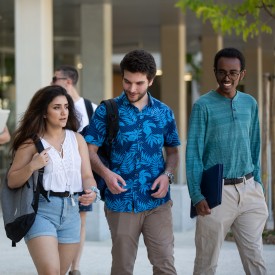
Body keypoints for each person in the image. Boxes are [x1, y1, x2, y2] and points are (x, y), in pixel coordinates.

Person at [85, 49, 180, 275]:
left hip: (157, 203)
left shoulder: (164, 113)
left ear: (151, 80)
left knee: (165, 264)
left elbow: (173, 152)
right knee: (122, 268)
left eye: (139, 83)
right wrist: (106, 174)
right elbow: (89, 151)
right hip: (121, 201)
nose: (132, 89)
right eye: (127, 81)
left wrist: (167, 176)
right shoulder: (107, 111)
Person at [186, 47, 268, 275]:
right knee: (206, 263)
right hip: (216, 195)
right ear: (214, 72)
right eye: (221, 72)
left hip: (249, 190)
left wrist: (258, 184)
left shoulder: (250, 103)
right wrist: (196, 195)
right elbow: (193, 152)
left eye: (233, 72)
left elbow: (254, 146)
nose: (227, 78)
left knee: (256, 260)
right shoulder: (203, 106)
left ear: (242, 74)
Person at [7, 85, 100, 275]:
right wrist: (32, 165)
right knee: (50, 272)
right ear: (43, 112)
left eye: (66, 106)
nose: (64, 112)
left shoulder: (77, 140)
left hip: (72, 212)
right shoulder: (31, 143)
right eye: (57, 107)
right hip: (42, 211)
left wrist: (92, 191)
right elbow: (12, 181)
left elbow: (86, 176)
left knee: (60, 272)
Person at [52, 65, 97, 275]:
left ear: (67, 81)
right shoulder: (51, 106)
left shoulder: (91, 108)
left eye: (55, 78)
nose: (52, 82)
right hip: (58, 176)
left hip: (82, 175)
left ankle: (75, 268)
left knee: (80, 221)